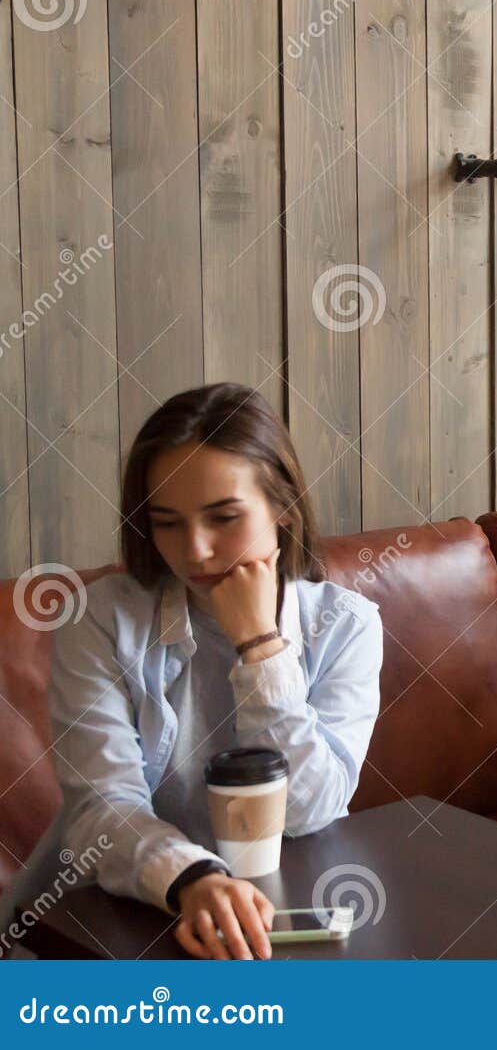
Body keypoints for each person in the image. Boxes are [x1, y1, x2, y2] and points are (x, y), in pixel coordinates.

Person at [1, 384, 383, 961]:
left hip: (275, 914)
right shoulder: (102, 619)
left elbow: (310, 811)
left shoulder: (345, 625)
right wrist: (191, 878)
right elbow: (102, 803)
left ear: (281, 507)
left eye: (223, 517)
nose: (197, 550)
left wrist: (260, 647)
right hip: (105, 918)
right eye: (168, 522)